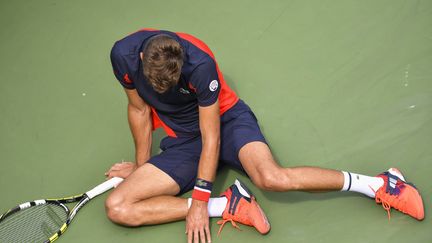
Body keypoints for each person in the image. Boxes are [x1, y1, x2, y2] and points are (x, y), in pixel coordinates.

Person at [105, 28, 424, 243]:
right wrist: (140, 166)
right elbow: (139, 111)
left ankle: (381, 184)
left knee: (273, 178)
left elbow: (212, 136)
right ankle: (229, 204)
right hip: (185, 138)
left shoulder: (200, 64)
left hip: (225, 122)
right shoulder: (123, 56)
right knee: (119, 207)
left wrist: (199, 200)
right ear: (143, 59)